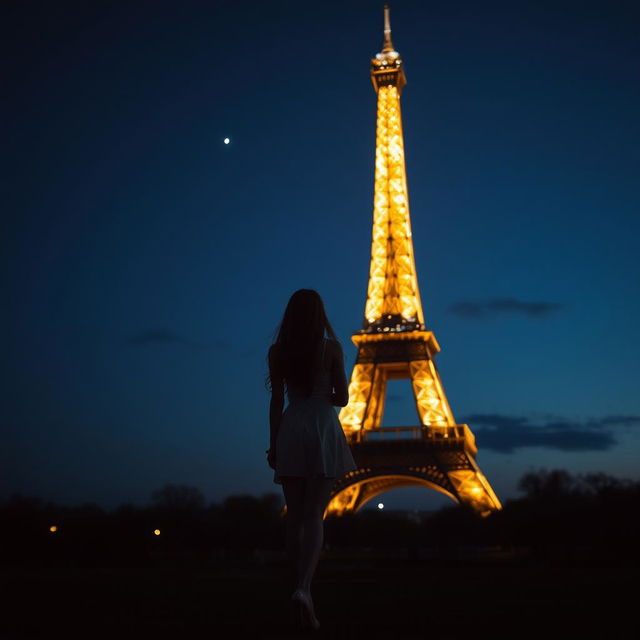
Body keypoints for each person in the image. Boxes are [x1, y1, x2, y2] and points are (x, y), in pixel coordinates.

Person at [265, 288, 357, 631]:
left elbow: (276, 402)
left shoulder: (278, 351)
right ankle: (305, 589)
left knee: (294, 518)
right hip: (322, 428)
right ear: (321, 315)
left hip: (291, 428)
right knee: (315, 516)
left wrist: (273, 444)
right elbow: (345, 398)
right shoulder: (331, 348)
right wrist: (325, 391)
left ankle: (295, 586)